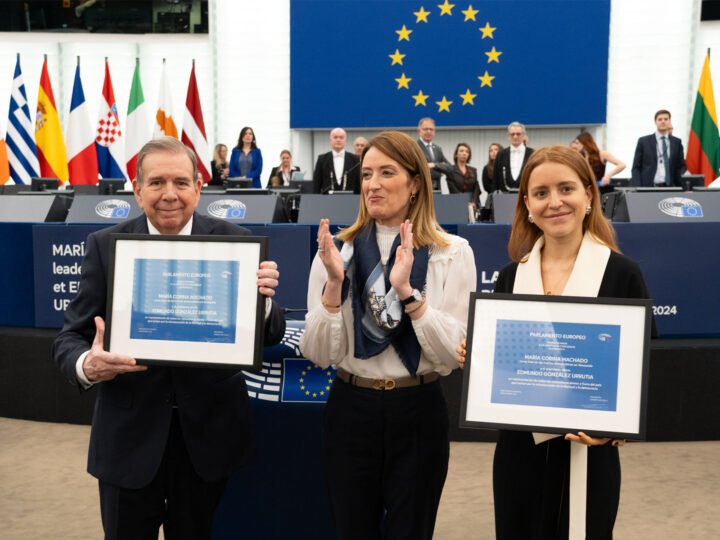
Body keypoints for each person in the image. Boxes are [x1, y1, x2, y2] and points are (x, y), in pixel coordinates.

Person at [52, 137, 286, 539]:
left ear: (199, 186)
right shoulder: (105, 246)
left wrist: (262, 301)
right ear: (137, 189)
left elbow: (270, 333)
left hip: (208, 443)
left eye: (181, 182)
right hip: (128, 443)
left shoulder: (237, 242)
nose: (170, 195)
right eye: (157, 182)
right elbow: (70, 337)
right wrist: (86, 364)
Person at [459, 145, 653, 539]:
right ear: (527, 204)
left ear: (588, 195)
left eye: (566, 189)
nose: (555, 202)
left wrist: (614, 431)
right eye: (541, 193)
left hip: (589, 451)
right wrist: (480, 363)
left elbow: (643, 371)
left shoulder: (622, 274)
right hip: (519, 454)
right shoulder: (511, 278)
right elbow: (509, 366)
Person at [300, 131, 476, 539]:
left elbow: (453, 355)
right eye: (366, 174)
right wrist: (332, 288)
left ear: (415, 183)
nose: (373, 184)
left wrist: (408, 294)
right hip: (350, 408)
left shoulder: (453, 252)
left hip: (418, 410)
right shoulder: (335, 252)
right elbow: (318, 353)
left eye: (387, 172)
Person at [631, 109, 685, 187]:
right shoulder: (644, 141)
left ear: (670, 121)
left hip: (670, 188)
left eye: (666, 119)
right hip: (648, 188)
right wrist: (638, 188)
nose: (663, 121)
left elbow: (679, 166)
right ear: (655, 122)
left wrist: (682, 187)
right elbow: (636, 167)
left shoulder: (676, 142)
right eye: (660, 119)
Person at [312, 127, 361, 194]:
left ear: (345, 141)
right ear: (330, 141)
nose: (338, 140)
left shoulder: (355, 159)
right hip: (327, 201)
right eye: (335, 137)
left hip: (350, 201)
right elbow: (316, 184)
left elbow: (359, 184)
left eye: (341, 137)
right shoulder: (322, 159)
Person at [492, 121, 534, 191]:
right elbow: (495, 179)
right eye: (512, 134)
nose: (515, 136)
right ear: (508, 136)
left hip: (527, 195)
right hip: (504, 197)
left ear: (523, 136)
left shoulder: (533, 154)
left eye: (518, 134)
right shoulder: (501, 154)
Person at [416, 117, 453, 190]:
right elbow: (418, 170)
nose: (429, 131)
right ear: (419, 131)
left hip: (437, 190)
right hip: (421, 190)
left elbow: (450, 168)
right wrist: (439, 173)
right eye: (426, 129)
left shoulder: (437, 149)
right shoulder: (414, 147)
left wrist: (434, 165)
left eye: (431, 129)